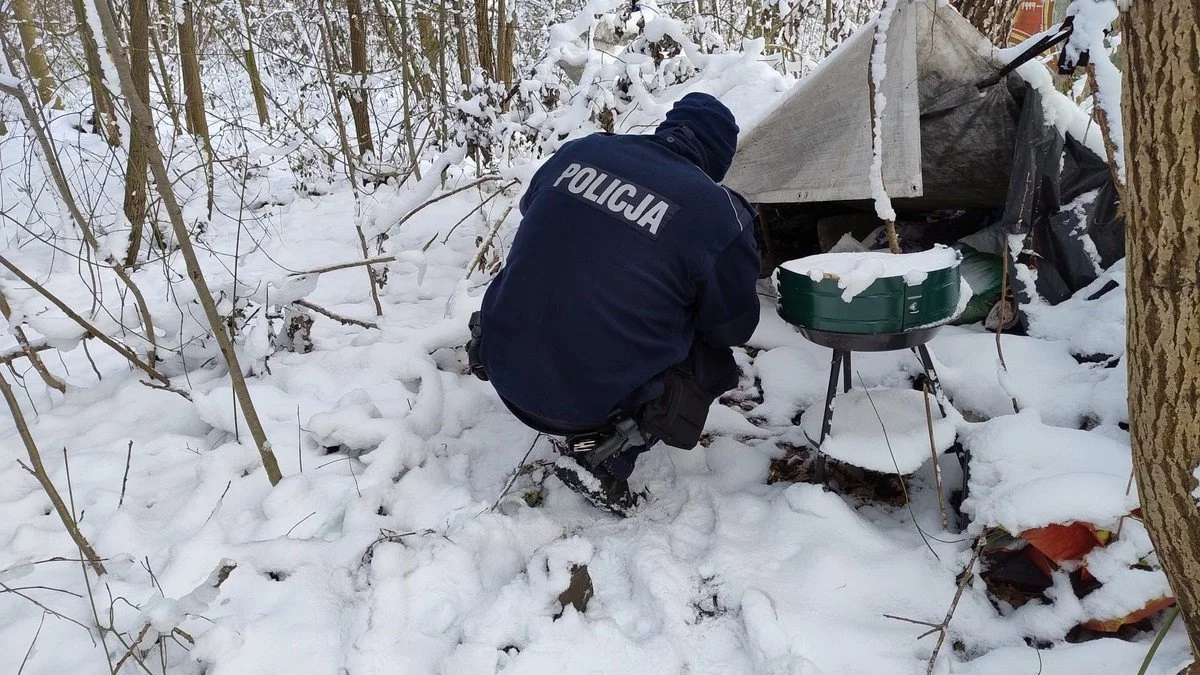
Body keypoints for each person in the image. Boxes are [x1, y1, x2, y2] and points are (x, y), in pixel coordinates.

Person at [467, 92, 761, 515]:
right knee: (713, 364)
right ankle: (606, 455)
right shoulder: (717, 212)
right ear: (720, 157)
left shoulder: (584, 150)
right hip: (572, 407)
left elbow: (533, 206)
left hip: (501, 365)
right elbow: (732, 327)